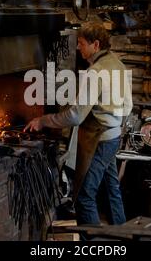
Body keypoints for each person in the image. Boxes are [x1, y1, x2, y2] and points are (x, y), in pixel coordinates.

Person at [24, 21, 133, 229]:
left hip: (99, 141)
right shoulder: (117, 64)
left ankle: (92, 245)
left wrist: (43, 120)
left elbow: (75, 116)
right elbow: (128, 106)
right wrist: (113, 122)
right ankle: (123, 235)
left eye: (82, 43)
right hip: (113, 137)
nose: (78, 47)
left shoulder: (95, 73)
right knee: (112, 189)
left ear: (96, 45)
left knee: (84, 197)